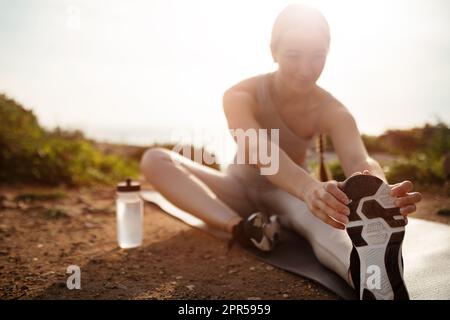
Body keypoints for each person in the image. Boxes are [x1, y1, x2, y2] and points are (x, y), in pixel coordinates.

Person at [140, 4, 422, 299]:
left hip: (289, 196)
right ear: (273, 51)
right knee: (155, 159)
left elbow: (359, 159)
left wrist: (380, 189)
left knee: (328, 225)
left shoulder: (334, 110)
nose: (306, 69)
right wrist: (309, 188)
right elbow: (260, 149)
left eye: (317, 56)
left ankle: (370, 279)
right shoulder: (240, 95)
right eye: (293, 55)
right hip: (237, 190)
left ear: (328, 53)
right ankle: (242, 229)